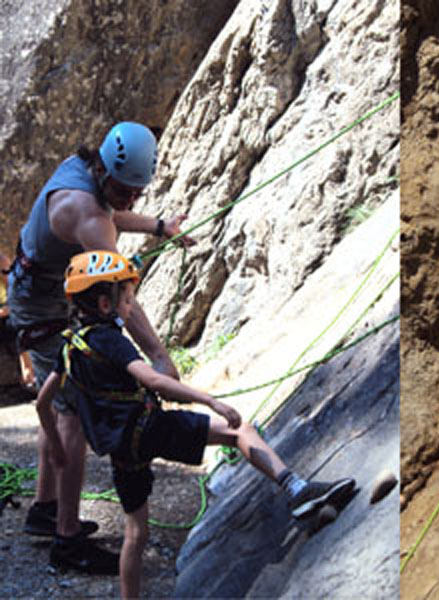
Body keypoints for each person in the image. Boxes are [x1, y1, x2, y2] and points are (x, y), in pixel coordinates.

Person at [36, 250, 356, 598]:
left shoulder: (69, 347)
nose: (130, 306)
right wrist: (209, 400)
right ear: (104, 304)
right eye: (127, 299)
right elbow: (152, 380)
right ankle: (298, 491)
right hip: (150, 429)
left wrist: (56, 446)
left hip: (122, 451)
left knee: (135, 534)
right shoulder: (112, 340)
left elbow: (43, 402)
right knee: (238, 431)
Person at [6, 122, 192, 573]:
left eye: (138, 193)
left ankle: (45, 509)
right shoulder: (84, 210)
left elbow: (109, 214)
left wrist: (158, 226)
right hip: (41, 305)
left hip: (42, 292)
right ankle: (66, 539)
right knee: (73, 411)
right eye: (125, 190)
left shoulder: (86, 174)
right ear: (106, 172)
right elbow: (124, 299)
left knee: (64, 402)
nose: (131, 200)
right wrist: (159, 357)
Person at [0, 251, 35, 391]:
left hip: (6, 313)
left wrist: (9, 308)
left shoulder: (1, 261)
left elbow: (14, 290)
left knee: (20, 321)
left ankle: (28, 373)